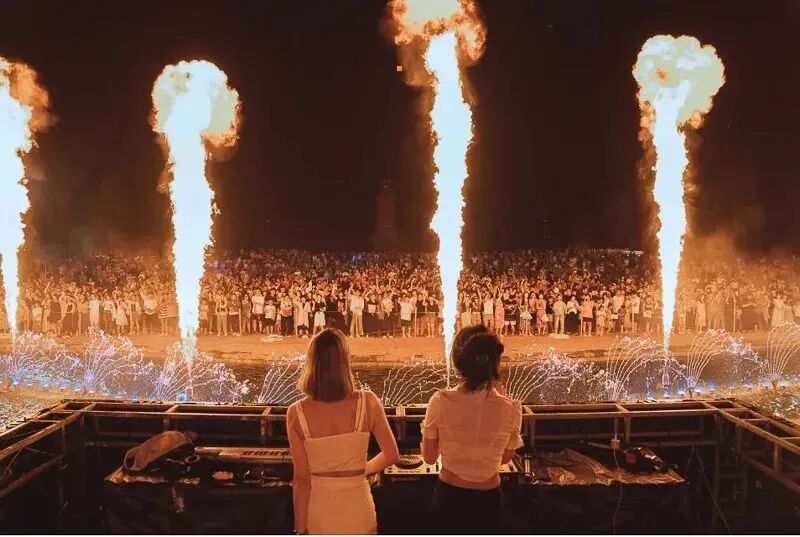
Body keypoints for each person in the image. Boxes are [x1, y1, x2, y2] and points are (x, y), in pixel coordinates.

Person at [287, 329, 400, 535]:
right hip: (359, 509)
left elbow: (301, 479)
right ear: (344, 363)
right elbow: (392, 454)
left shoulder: (296, 413)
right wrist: (361, 469)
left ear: (312, 363)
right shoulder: (368, 402)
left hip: (320, 512)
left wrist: (300, 529)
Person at [421, 326, 523, 534]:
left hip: (449, 497)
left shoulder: (440, 401)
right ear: (495, 362)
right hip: (489, 500)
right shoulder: (511, 408)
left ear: (458, 361)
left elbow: (429, 458)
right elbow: (505, 457)